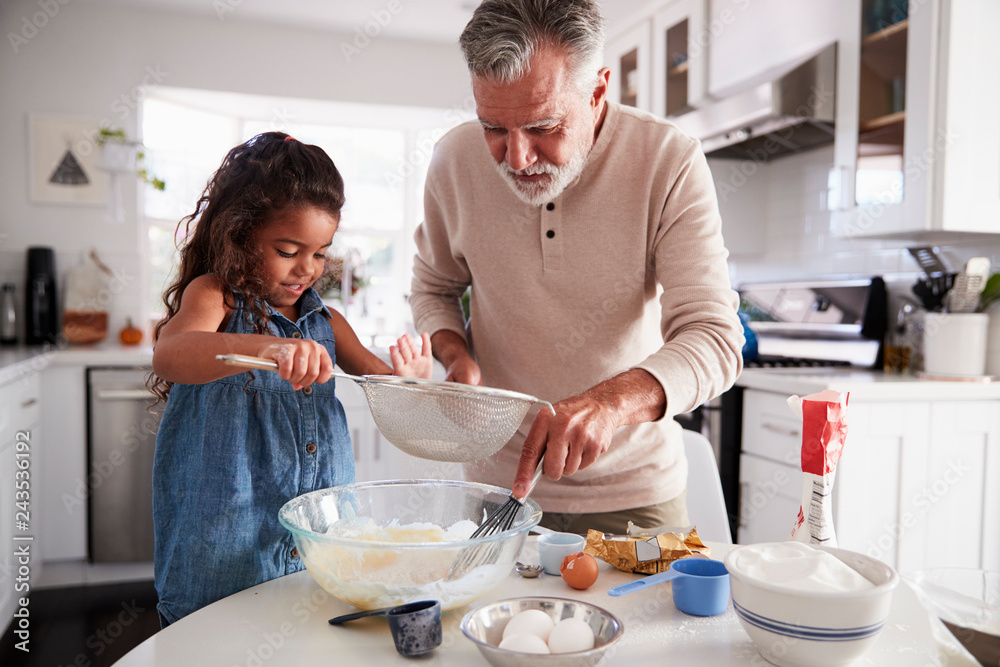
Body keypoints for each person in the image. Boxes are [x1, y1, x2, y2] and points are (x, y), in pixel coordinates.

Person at [409, 0, 743, 535]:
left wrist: (609, 403)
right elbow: (432, 289)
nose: (516, 158)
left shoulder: (668, 160)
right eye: (493, 127)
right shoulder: (454, 161)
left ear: (597, 92)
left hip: (633, 492)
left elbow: (715, 337)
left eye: (543, 126)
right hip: (499, 487)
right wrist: (456, 357)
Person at [149, 132, 433, 626]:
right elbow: (171, 353)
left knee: (306, 637)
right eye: (287, 250)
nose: (307, 268)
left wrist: (409, 381)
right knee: (214, 642)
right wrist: (268, 348)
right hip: (223, 538)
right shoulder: (216, 296)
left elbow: (387, 391)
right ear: (240, 235)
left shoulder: (328, 322)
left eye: (320, 253)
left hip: (320, 536)